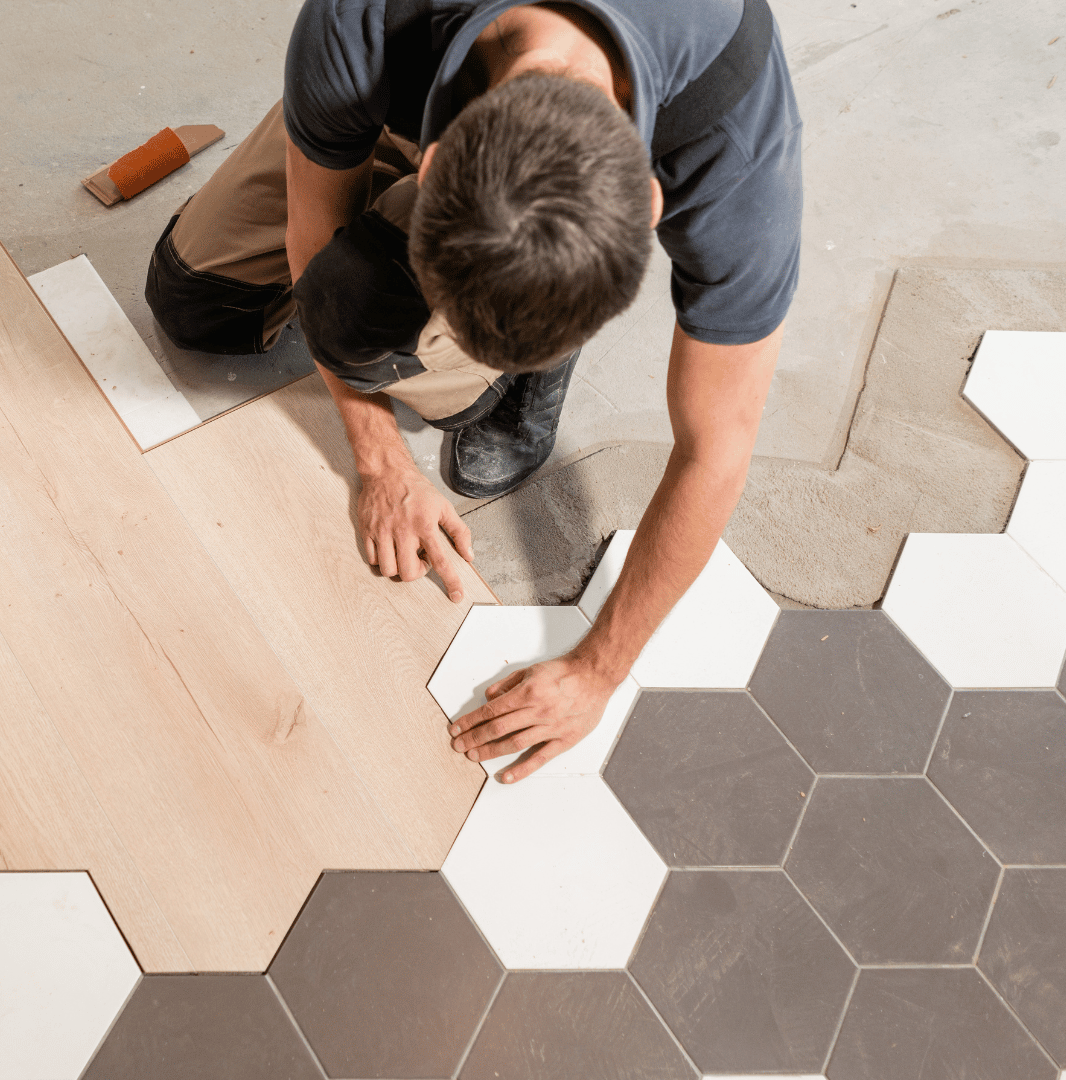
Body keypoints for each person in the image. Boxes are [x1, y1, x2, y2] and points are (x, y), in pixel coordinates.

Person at [144, 0, 802, 782]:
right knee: (209, 302)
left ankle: (545, 313)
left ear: (653, 202)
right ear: (433, 166)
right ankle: (386, 162)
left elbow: (716, 448)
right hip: (401, 91)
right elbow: (316, 243)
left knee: (370, 313)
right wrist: (382, 459)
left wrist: (600, 668)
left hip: (475, 122)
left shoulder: (733, 138)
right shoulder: (361, 20)